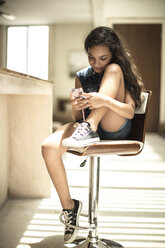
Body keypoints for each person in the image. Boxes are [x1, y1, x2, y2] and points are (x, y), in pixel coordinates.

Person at [41, 26, 144, 244]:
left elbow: (128, 111)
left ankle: (90, 127)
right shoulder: (81, 77)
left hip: (115, 126)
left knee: (112, 72)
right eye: (91, 58)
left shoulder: (117, 71)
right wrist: (75, 105)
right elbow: (77, 117)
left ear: (113, 54)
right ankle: (70, 207)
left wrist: (103, 100)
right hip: (84, 129)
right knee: (48, 147)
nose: (96, 64)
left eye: (102, 58)